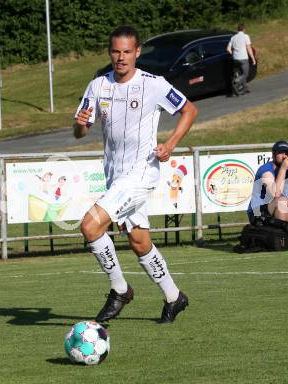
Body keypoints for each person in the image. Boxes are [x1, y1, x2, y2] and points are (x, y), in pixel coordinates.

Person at [74, 25, 198, 324]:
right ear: (110, 52)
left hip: (141, 173)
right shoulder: (97, 85)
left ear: (137, 52)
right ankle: (173, 296)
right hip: (115, 175)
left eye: (127, 51)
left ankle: (120, 289)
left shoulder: (153, 84)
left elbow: (189, 110)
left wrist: (170, 144)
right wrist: (79, 124)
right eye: (116, 51)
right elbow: (80, 131)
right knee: (139, 241)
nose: (121, 57)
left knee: (90, 227)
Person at [226, 23, 256, 95]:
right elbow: (249, 48)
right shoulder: (245, 36)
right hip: (243, 58)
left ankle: (245, 89)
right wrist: (253, 58)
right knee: (245, 74)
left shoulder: (233, 38)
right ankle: (236, 82)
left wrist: (232, 54)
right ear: (244, 29)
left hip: (235, 59)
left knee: (241, 74)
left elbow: (228, 49)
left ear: (238, 29)